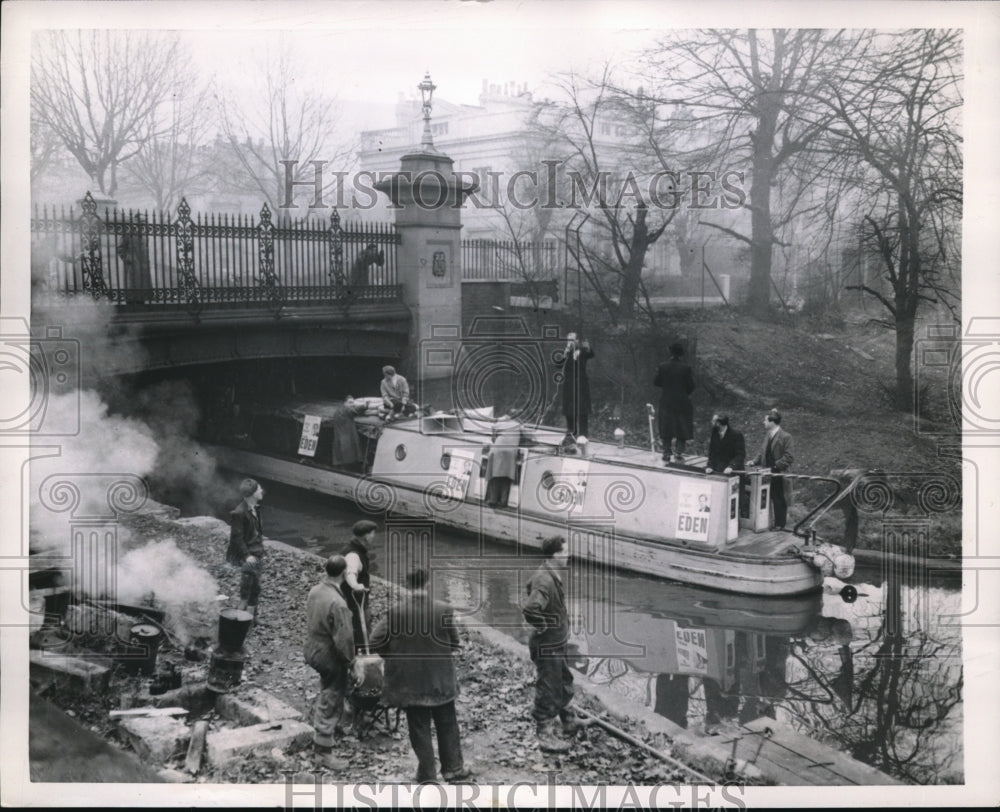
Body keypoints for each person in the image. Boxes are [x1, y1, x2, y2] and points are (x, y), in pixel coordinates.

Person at [370, 569, 472, 784]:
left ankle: (427, 775)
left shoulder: (395, 613)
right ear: (427, 584)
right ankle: (453, 769)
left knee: (419, 727)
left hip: (410, 683)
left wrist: (394, 656)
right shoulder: (443, 610)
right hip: (440, 679)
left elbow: (375, 640)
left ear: (407, 585)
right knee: (447, 723)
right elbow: (454, 642)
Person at [522, 535, 591, 753]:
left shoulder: (551, 574)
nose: (568, 555)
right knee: (548, 688)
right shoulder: (544, 579)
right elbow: (531, 609)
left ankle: (569, 720)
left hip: (556, 643)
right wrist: (543, 627)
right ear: (554, 555)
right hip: (547, 646)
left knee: (563, 680)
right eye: (564, 552)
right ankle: (545, 735)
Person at [303, 555, 356, 770]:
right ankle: (323, 750)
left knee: (327, 686)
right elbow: (344, 640)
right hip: (328, 653)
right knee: (333, 694)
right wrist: (351, 663)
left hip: (312, 647)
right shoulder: (339, 603)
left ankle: (325, 723)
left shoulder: (315, 591)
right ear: (343, 574)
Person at [225, 478, 265, 624]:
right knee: (246, 591)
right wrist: (247, 556)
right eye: (259, 489)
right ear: (253, 494)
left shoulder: (255, 509)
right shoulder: (239, 513)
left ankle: (252, 618)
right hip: (249, 555)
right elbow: (237, 537)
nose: (262, 491)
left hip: (257, 553)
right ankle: (237, 622)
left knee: (256, 587)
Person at [653, 343, 695, 462]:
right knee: (681, 426)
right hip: (682, 401)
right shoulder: (686, 368)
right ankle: (679, 452)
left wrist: (667, 386)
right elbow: (691, 386)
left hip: (666, 400)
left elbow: (656, 382)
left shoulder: (662, 366)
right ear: (681, 354)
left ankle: (666, 452)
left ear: (670, 353)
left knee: (666, 426)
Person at [753, 408, 794, 530]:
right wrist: (754, 461)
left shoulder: (786, 437)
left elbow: (789, 457)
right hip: (767, 471)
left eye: (765, 420)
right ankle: (768, 521)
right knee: (766, 496)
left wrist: (775, 466)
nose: (763, 422)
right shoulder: (768, 435)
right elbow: (762, 451)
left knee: (779, 497)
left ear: (772, 422)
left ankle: (779, 525)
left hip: (779, 473)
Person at [341, 520, 376, 651]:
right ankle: (362, 655)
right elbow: (350, 573)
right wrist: (356, 586)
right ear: (366, 536)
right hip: (355, 601)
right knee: (361, 629)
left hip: (352, 600)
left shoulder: (354, 549)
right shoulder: (353, 555)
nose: (374, 536)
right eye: (372, 533)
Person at [557, 332, 594, 439]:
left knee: (582, 412)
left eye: (572, 340)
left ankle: (583, 436)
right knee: (569, 411)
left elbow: (591, 354)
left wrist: (588, 347)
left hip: (581, 385)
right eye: (568, 340)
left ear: (577, 341)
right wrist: (566, 352)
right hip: (569, 386)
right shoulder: (566, 352)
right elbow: (558, 364)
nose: (570, 342)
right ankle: (571, 436)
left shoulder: (582, 351)